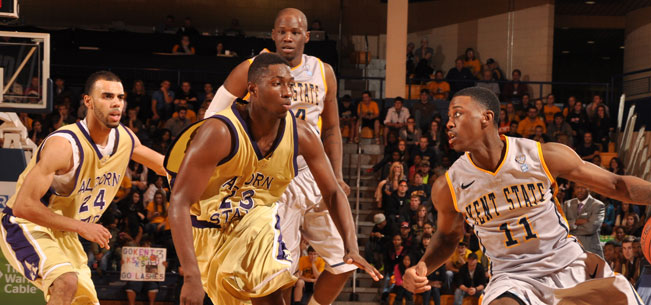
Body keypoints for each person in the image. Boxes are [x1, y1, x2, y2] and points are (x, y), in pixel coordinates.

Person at [402, 87, 651, 305]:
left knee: (620, 295)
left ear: (487, 118)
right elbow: (446, 237)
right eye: (449, 116)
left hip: (569, 265)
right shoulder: (448, 185)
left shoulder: (540, 155)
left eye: (458, 113)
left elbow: (617, 185)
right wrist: (421, 267)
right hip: (513, 277)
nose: (449, 122)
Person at [166, 53, 379, 305]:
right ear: (252, 90)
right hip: (209, 229)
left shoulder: (302, 135)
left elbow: (332, 192)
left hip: (257, 222)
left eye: (291, 84)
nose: (288, 92)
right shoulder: (219, 132)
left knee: (271, 287)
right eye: (277, 83)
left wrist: (350, 246)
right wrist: (191, 276)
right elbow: (179, 201)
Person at [203, 9, 367, 305]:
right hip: (272, 175)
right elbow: (213, 116)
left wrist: (338, 175)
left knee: (346, 263)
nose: (288, 37)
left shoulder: (323, 71)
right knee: (277, 274)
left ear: (307, 36)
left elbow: (331, 128)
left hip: (312, 170)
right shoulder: (252, 68)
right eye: (282, 31)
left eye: (294, 32)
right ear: (273, 35)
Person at [0, 71, 166, 305]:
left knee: (83, 300)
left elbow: (164, 166)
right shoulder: (64, 146)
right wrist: (82, 227)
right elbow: (23, 206)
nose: (117, 102)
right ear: (88, 101)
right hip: (28, 224)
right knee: (65, 281)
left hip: (66, 233)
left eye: (121, 96)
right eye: (107, 96)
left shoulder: (125, 138)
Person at [563, 185, 605, 257]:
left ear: (589, 188)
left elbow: (590, 229)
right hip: (571, 250)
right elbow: (562, 226)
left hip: (590, 251)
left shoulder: (598, 205)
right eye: (577, 187)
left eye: (583, 187)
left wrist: (571, 228)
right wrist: (575, 222)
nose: (580, 190)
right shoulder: (567, 204)